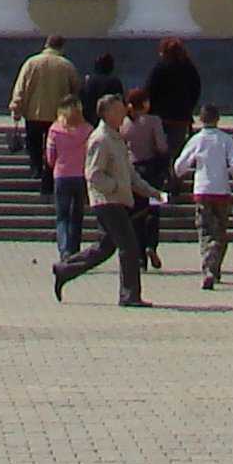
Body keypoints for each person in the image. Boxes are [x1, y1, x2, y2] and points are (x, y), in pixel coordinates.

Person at [52, 94, 163, 307]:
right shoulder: (101, 138)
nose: (125, 112)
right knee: (129, 246)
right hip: (107, 201)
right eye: (120, 109)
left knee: (104, 247)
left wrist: (152, 192)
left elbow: (129, 174)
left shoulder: (116, 137)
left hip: (117, 199)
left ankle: (64, 269)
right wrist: (115, 187)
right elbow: (93, 174)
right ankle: (129, 295)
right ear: (107, 112)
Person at [171, 102, 233, 291]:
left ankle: (208, 268)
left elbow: (180, 165)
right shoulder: (225, 139)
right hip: (222, 191)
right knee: (221, 231)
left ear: (200, 119)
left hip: (202, 191)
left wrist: (179, 175)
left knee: (204, 230)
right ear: (218, 119)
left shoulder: (197, 139)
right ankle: (215, 266)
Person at [9, 34, 79, 196]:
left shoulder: (31, 63)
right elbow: (75, 90)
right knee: (52, 148)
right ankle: (48, 176)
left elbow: (21, 88)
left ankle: (36, 169)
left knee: (33, 144)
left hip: (34, 113)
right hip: (58, 116)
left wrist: (16, 108)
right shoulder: (67, 66)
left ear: (46, 45)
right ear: (62, 47)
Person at [122, 93, 171, 269]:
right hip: (153, 171)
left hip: (132, 172)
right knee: (154, 210)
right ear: (144, 104)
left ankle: (139, 256)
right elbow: (161, 146)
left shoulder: (124, 123)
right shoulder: (153, 121)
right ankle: (152, 245)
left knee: (136, 213)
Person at [43, 96, 91, 262]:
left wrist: (55, 164)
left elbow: (50, 157)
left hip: (62, 176)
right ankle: (75, 249)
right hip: (81, 176)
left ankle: (64, 250)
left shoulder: (55, 130)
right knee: (77, 215)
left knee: (62, 216)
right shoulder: (88, 130)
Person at [143, 35, 202, 130]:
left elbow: (149, 90)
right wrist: (188, 107)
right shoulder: (189, 68)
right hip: (182, 117)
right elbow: (196, 90)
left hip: (161, 117)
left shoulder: (160, 68)